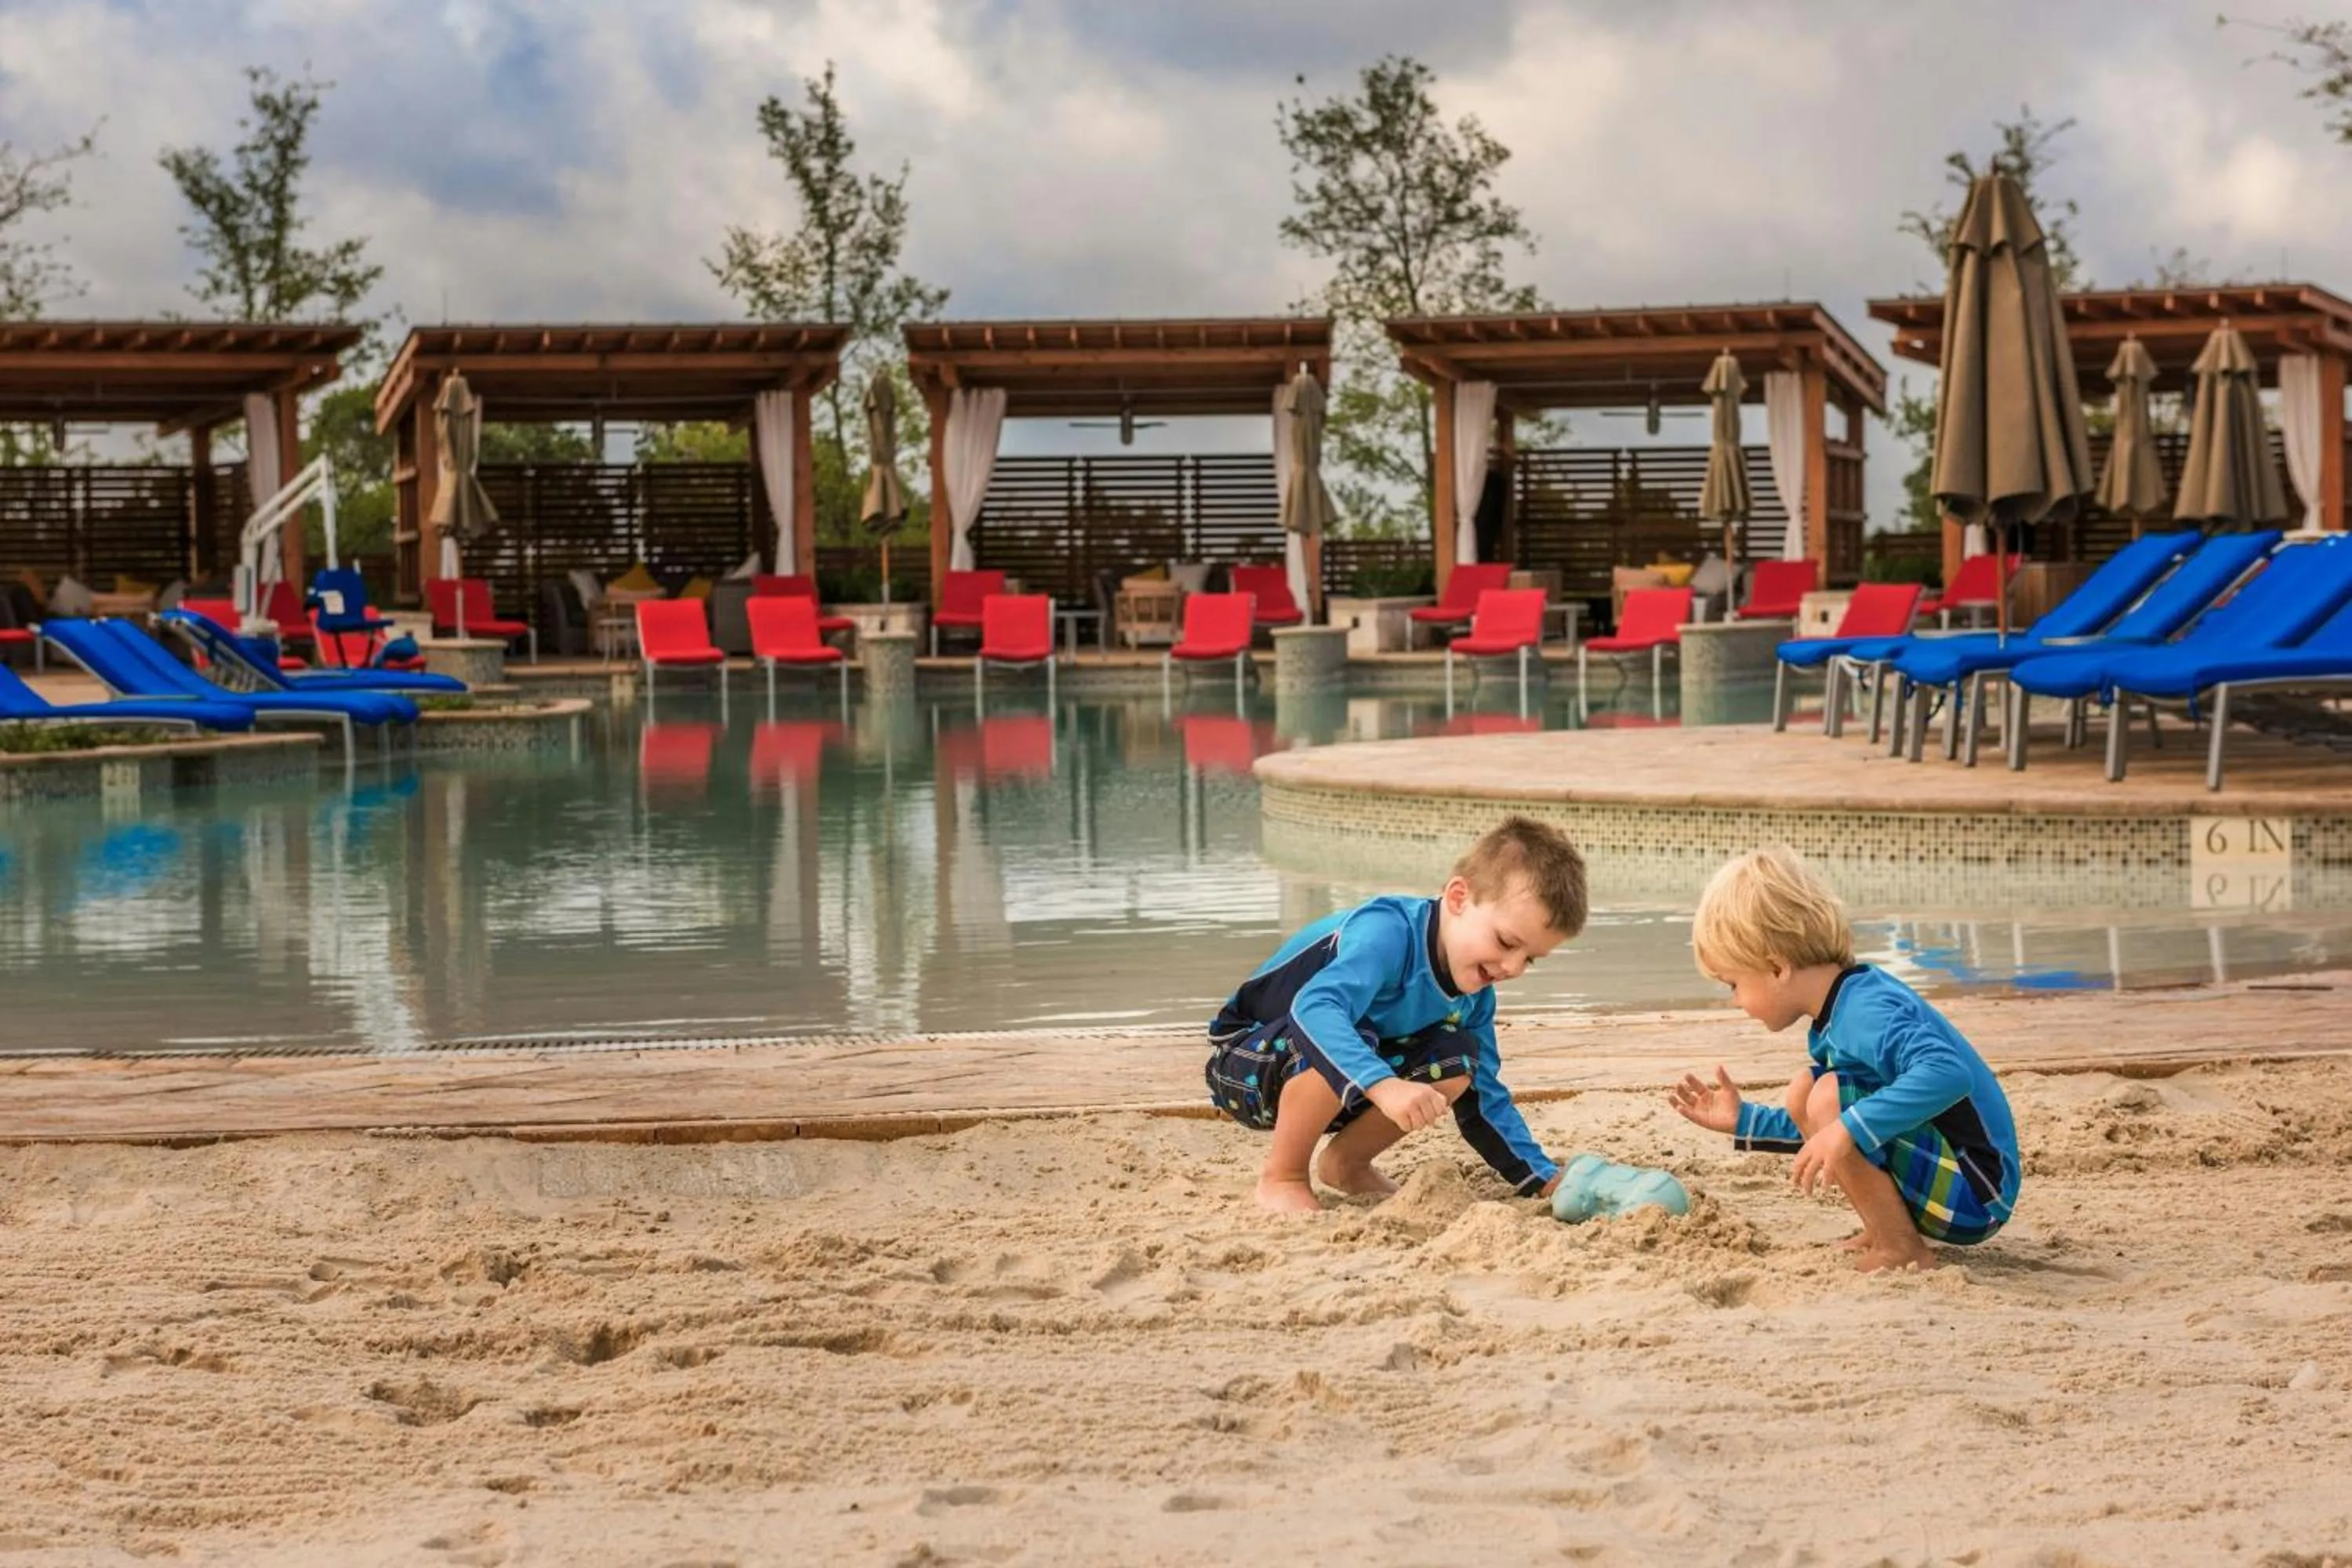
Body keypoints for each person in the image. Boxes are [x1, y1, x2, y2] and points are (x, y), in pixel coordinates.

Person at [1205, 815, 1587, 1214]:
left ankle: (1346, 1164)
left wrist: (1542, 1179)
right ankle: (1283, 1176)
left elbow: (1486, 1099)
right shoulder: (1386, 933)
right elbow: (1314, 1010)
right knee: (1345, 1026)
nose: (1512, 967)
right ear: (1458, 898)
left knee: (1460, 1057)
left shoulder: (1475, 997)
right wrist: (1384, 1085)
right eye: (1507, 942)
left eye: (1530, 959)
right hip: (1247, 1066)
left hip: (1344, 1085)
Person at [1669, 846, 2020, 1272]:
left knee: (1827, 1097)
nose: (1736, 1001)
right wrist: (1746, 1121)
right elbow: (1829, 1129)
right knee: (1809, 1092)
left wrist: (1848, 1127)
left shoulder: (1866, 1010)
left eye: (1733, 984)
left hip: (1979, 1190)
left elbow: (1949, 1073)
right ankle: (1885, 1230)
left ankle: (1901, 1246)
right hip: (1949, 1180)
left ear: (1777, 968)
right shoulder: (1838, 1012)